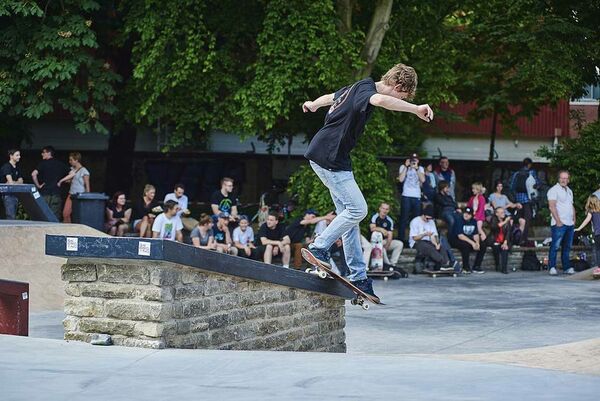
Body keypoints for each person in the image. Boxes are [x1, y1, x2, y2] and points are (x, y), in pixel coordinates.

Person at [302, 63, 434, 298]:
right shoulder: (368, 92)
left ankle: (358, 276)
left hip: (330, 157)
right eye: (402, 95)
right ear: (399, 85)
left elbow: (329, 97)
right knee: (358, 210)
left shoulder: (356, 87)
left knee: (349, 217)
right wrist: (415, 109)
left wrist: (312, 104)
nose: (400, 100)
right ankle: (319, 247)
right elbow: (382, 101)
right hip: (329, 157)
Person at [409, 204, 459, 272]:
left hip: (429, 241)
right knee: (430, 249)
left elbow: (434, 235)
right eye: (427, 218)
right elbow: (414, 238)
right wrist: (424, 234)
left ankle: (446, 263)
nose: (428, 220)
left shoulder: (431, 222)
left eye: (430, 218)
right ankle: (444, 263)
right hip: (417, 241)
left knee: (440, 248)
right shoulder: (415, 221)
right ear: (423, 215)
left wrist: (436, 243)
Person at [547, 171, 575, 275]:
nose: (564, 180)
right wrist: (558, 221)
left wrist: (574, 219)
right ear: (558, 179)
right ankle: (552, 267)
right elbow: (552, 206)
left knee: (567, 247)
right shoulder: (553, 190)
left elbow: (571, 206)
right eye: (562, 178)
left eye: (566, 178)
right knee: (555, 246)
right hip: (559, 223)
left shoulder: (569, 191)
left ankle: (566, 267)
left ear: (568, 179)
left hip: (569, 223)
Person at [31, 146, 69, 220]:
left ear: (49, 153)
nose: (42, 154)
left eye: (43, 152)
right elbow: (73, 173)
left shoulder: (42, 164)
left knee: (43, 215)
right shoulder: (59, 164)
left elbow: (33, 174)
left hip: (45, 193)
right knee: (55, 216)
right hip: (56, 193)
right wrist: (61, 181)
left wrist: (38, 185)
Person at [509, 157, 539, 244]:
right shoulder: (531, 173)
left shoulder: (516, 174)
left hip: (518, 200)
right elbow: (537, 183)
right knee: (527, 219)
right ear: (529, 164)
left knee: (518, 219)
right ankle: (523, 239)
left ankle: (516, 237)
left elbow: (512, 187)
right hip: (527, 200)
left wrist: (515, 198)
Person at [449, 207, 487, 273]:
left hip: (468, 239)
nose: (466, 215)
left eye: (469, 214)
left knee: (483, 245)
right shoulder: (459, 220)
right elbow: (460, 235)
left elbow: (475, 234)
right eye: (465, 213)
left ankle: (476, 266)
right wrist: (472, 243)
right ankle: (465, 267)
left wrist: (477, 243)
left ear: (471, 216)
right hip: (456, 239)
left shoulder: (474, 221)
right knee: (465, 245)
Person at [398, 153, 425, 243]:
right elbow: (401, 179)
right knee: (404, 218)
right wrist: (406, 167)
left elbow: (423, 180)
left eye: (415, 160)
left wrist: (416, 168)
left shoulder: (420, 168)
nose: (414, 162)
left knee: (416, 218)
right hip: (406, 195)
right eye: (412, 160)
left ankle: (414, 240)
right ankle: (401, 239)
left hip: (416, 196)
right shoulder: (403, 167)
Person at [57, 152, 90, 223]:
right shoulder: (71, 169)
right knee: (65, 213)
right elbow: (69, 181)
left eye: (71, 160)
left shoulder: (84, 171)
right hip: (71, 194)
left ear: (76, 160)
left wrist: (87, 196)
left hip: (80, 195)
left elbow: (87, 185)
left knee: (78, 214)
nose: (70, 162)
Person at [369, 202, 404, 267]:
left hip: (385, 241)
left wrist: (386, 247)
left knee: (399, 244)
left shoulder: (389, 220)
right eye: (383, 208)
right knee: (380, 245)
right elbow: (372, 228)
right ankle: (388, 265)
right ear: (379, 208)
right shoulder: (375, 217)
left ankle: (393, 263)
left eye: (386, 209)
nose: (384, 211)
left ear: (388, 210)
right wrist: (381, 229)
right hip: (374, 241)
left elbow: (390, 235)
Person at [575, 194, 600, 267]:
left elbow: (587, 220)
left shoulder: (591, 211)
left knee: (598, 250)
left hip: (598, 234)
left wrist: (579, 228)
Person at [489, 207, 513, 274]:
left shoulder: (506, 220)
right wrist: (505, 221)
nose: (503, 214)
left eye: (504, 212)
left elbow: (508, 232)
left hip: (504, 240)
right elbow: (495, 227)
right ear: (497, 214)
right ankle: (497, 265)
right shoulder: (493, 219)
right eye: (501, 212)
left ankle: (504, 268)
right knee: (496, 247)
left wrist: (505, 242)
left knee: (504, 249)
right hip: (495, 240)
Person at [1, 149, 23, 219]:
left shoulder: (17, 167)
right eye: (17, 155)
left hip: (15, 194)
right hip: (8, 194)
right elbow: (10, 183)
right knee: (11, 216)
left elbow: (21, 181)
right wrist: (15, 182)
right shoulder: (7, 166)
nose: (19, 157)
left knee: (13, 215)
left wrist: (15, 182)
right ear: (11, 156)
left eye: (19, 155)